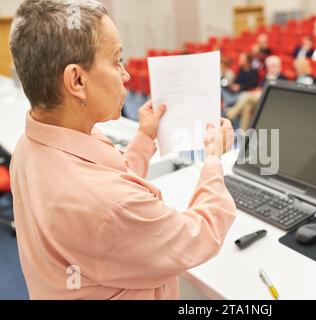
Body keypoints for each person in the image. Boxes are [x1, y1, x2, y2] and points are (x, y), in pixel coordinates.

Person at [9, 0, 236, 300]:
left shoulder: (30, 146)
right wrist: (213, 159)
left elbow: (112, 187)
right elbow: (199, 236)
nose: (126, 75)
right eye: (117, 60)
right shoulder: (106, 204)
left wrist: (143, 138)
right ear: (77, 80)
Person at [226, 56, 285, 130]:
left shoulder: (282, 77)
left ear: (278, 66)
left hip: (270, 100)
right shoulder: (267, 77)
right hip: (260, 98)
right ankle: (243, 134)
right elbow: (260, 88)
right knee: (247, 106)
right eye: (269, 66)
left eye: (273, 66)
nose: (271, 68)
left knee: (246, 95)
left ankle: (231, 113)